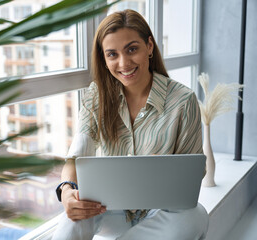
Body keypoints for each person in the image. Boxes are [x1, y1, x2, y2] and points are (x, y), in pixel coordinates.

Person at [52, 9, 209, 240]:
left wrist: (165, 170)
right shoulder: (96, 96)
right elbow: (76, 156)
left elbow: (192, 175)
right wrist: (66, 191)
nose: (124, 63)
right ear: (104, 60)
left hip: (160, 211)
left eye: (132, 49)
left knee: (196, 216)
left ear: (150, 47)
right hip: (109, 209)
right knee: (71, 218)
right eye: (112, 54)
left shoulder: (183, 101)